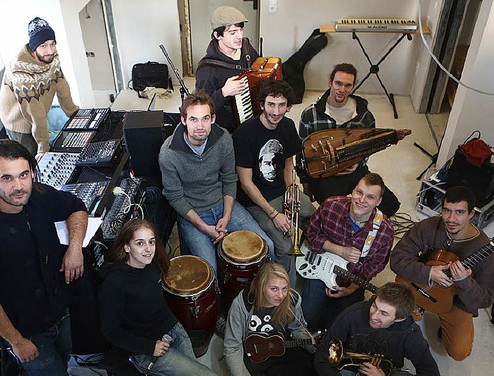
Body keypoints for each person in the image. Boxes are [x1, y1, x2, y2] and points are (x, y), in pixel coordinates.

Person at [0, 139, 88, 375]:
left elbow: (76, 207)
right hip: (27, 331)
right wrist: (16, 341)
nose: (19, 186)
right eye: (7, 178)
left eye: (24, 175)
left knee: (65, 360)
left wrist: (75, 248)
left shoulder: (37, 195)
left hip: (59, 309)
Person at [159, 91, 274, 272]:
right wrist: (204, 227)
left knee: (267, 247)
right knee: (209, 270)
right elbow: (175, 197)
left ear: (213, 118)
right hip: (192, 213)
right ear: (183, 120)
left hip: (223, 204)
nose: (200, 126)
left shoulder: (224, 138)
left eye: (205, 119)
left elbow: (229, 179)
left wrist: (226, 216)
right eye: (193, 119)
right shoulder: (168, 154)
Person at [98, 219, 216, 376]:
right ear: (127, 247)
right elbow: (111, 331)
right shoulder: (114, 283)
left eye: (151, 242)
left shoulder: (152, 264)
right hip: (147, 348)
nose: (148, 249)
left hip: (173, 328)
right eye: (140, 243)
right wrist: (149, 347)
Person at [390, 186, 494, 361]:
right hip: (420, 284)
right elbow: (397, 258)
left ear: (471, 215)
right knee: (385, 316)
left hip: (457, 301)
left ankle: (439, 317)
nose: (451, 219)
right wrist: (428, 272)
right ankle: (418, 305)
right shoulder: (428, 226)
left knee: (459, 351)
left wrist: (465, 282)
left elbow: (486, 299)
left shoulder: (486, 251)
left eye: (459, 212)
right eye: (447, 211)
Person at [233, 80, 315, 286]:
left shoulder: (287, 126)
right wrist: (274, 214)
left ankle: (311, 265)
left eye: (281, 106)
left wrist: (291, 191)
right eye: (271, 104)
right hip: (256, 200)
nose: (276, 111)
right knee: (285, 246)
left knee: (315, 217)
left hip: (281, 189)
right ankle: (287, 288)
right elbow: (246, 183)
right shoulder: (244, 134)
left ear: (288, 107)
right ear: (261, 104)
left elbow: (288, 164)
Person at [298, 63, 400, 217]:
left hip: (354, 170)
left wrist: (359, 162)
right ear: (330, 81)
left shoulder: (364, 115)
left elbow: (369, 146)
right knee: (335, 212)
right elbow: (301, 153)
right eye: (338, 83)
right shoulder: (310, 114)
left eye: (348, 85)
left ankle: (365, 227)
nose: (342, 90)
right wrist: (306, 183)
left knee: (390, 205)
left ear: (353, 86)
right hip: (325, 175)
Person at [301, 173, 394, 330]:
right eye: (359, 192)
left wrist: (353, 287)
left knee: (340, 326)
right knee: (308, 317)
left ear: (378, 202)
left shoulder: (385, 231)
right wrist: (338, 250)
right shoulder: (331, 205)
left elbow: (376, 265)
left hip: (352, 280)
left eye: (370, 197)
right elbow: (310, 232)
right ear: (353, 190)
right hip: (320, 266)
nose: (361, 200)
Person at [314, 282, 440, 376]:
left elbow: (431, 372)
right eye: (375, 306)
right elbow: (322, 356)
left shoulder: (410, 333)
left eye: (384, 313)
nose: (373, 316)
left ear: (400, 318)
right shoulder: (352, 314)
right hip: (346, 370)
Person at [0, 17, 79, 158]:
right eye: (44, 46)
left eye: (52, 44)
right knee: (31, 160)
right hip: (18, 121)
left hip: (36, 114)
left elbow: (61, 84)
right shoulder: (20, 67)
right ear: (34, 48)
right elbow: (33, 110)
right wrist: (43, 145)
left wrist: (75, 113)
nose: (50, 50)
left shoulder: (50, 56)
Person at [224, 262, 316, 376]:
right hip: (254, 354)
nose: (281, 295)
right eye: (274, 289)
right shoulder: (242, 303)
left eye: (284, 288)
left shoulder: (293, 300)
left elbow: (297, 329)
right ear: (261, 286)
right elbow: (232, 347)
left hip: (283, 348)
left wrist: (311, 345)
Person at [195, 6, 259, 133]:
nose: (239, 36)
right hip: (227, 126)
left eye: (241, 30)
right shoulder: (207, 69)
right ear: (218, 35)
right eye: (232, 32)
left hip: (253, 111)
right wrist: (224, 92)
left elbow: (258, 70)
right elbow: (201, 109)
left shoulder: (246, 48)